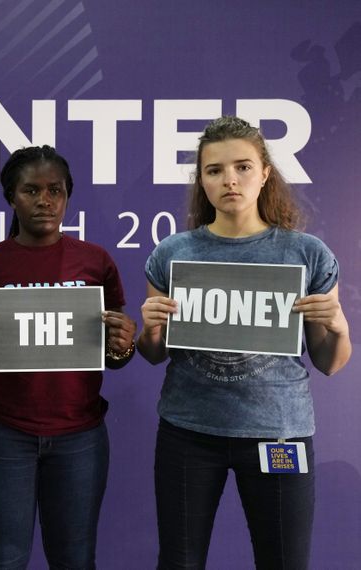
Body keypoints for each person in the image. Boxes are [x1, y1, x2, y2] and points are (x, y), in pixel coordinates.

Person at [138, 116, 352, 569]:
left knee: (284, 562)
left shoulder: (306, 253)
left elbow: (330, 363)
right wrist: (151, 329)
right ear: (202, 180)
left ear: (265, 173)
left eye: (242, 167)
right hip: (188, 431)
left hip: (278, 432)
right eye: (214, 170)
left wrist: (338, 326)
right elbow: (154, 354)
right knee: (178, 562)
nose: (229, 180)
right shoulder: (173, 252)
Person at [0, 145, 137, 569]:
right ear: (12, 197)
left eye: (56, 190)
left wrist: (125, 343)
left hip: (80, 435)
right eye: (31, 190)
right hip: (2, 434)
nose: (45, 201)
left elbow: (115, 355)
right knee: (3, 560)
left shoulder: (96, 262)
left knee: (75, 560)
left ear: (68, 196)